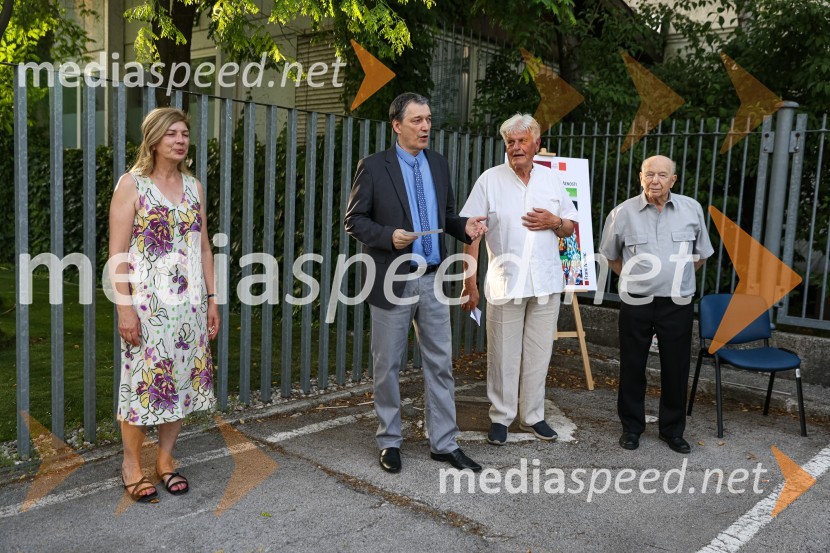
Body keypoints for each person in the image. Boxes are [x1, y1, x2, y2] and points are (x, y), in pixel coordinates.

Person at [344, 92, 487, 473]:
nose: (425, 127)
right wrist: (390, 236)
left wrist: (464, 227)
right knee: (387, 363)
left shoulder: (438, 164)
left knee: (440, 363)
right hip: (392, 277)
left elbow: (447, 215)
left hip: (434, 277)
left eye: (428, 119)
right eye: (417, 120)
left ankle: (444, 443)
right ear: (396, 125)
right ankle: (389, 441)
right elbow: (354, 221)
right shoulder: (374, 167)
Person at [109, 107, 219, 501]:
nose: (179, 140)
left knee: (182, 383)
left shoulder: (194, 187)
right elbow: (117, 253)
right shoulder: (132, 185)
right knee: (143, 386)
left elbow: (203, 247)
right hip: (148, 308)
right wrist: (124, 308)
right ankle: (131, 464)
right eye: (171, 133)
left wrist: (211, 299)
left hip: (189, 308)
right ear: (153, 139)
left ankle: (165, 460)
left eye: (184, 134)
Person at [459, 114, 578, 446]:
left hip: (546, 282)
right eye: (510, 142)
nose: (515, 148)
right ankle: (501, 416)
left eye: (522, 141)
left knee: (539, 353)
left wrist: (555, 220)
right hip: (505, 282)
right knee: (502, 354)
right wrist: (469, 282)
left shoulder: (553, 181)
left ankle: (533, 416)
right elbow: (471, 235)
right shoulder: (489, 180)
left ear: (536, 143)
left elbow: (569, 226)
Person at [599, 155, 713, 454]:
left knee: (675, 367)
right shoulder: (622, 213)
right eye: (650, 174)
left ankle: (672, 430)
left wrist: (676, 279)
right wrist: (637, 279)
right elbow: (611, 256)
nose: (655, 180)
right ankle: (632, 428)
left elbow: (700, 255)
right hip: (636, 301)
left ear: (673, 180)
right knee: (632, 365)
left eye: (662, 175)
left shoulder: (691, 209)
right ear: (641, 177)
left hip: (677, 302)